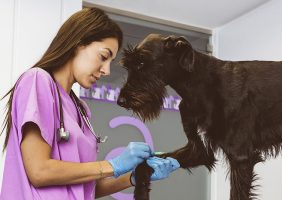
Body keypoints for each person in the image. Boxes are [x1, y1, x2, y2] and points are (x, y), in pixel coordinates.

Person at [0, 7, 180, 200]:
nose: (106, 70)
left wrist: (136, 176)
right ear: (78, 43)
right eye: (103, 57)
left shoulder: (81, 109)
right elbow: (39, 171)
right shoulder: (37, 81)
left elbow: (83, 187)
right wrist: (114, 165)